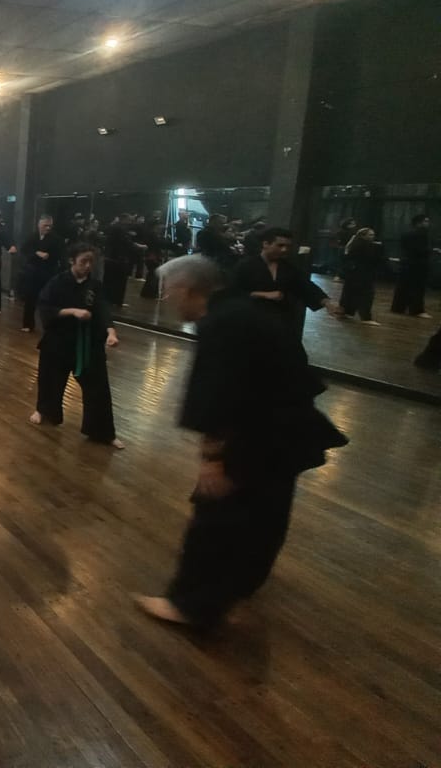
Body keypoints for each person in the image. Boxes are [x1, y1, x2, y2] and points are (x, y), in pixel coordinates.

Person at [135, 255, 347, 629]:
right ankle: (243, 583)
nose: (166, 299)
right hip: (289, 430)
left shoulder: (222, 323)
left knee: (214, 518)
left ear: (187, 289)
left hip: (258, 434)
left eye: (168, 291)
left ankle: (192, 605)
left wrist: (213, 458)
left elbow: (220, 393)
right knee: (266, 513)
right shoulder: (244, 310)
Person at [30, 243, 123, 448]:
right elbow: (45, 307)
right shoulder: (57, 282)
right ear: (72, 261)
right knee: (50, 380)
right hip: (58, 340)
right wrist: (72, 311)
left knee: (98, 387)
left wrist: (111, 332)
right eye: (83, 261)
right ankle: (45, 411)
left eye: (91, 262)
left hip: (87, 343)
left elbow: (103, 310)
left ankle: (102, 432)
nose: (88, 266)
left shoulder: (95, 286)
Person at [231, 227, 339, 340]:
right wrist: (261, 294)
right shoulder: (245, 266)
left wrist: (327, 302)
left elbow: (306, 286)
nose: (284, 250)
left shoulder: (288, 267)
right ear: (266, 244)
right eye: (280, 245)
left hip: (281, 320)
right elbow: (232, 293)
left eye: (288, 246)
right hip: (251, 319)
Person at [19, 215, 64, 332]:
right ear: (39, 225)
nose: (48, 228)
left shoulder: (56, 239)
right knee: (30, 298)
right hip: (33, 272)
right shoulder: (32, 236)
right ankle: (27, 324)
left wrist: (49, 256)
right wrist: (36, 253)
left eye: (50, 226)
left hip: (48, 272)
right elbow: (24, 249)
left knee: (49, 300)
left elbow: (61, 255)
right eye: (45, 225)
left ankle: (50, 325)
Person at [391, 215, 435, 317]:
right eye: (426, 221)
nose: (428, 223)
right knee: (418, 287)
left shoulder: (406, 233)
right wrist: (431, 250)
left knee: (403, 287)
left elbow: (405, 247)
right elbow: (419, 250)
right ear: (419, 223)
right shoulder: (422, 234)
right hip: (418, 264)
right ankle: (417, 310)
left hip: (406, 263)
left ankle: (398, 308)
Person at [338, 227, 381, 325]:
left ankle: (347, 312)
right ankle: (366, 318)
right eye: (370, 235)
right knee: (366, 295)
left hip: (353, 273)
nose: (373, 237)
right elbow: (373, 259)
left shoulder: (354, 244)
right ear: (363, 236)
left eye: (373, 235)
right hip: (364, 274)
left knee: (350, 293)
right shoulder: (367, 246)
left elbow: (346, 256)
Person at [102, 214, 139, 308]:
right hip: (119, 259)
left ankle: (106, 300)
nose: (130, 222)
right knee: (120, 282)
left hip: (109, 257)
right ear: (124, 219)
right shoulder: (121, 229)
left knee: (108, 280)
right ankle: (117, 301)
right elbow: (126, 242)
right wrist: (137, 246)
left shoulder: (113, 227)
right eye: (129, 220)